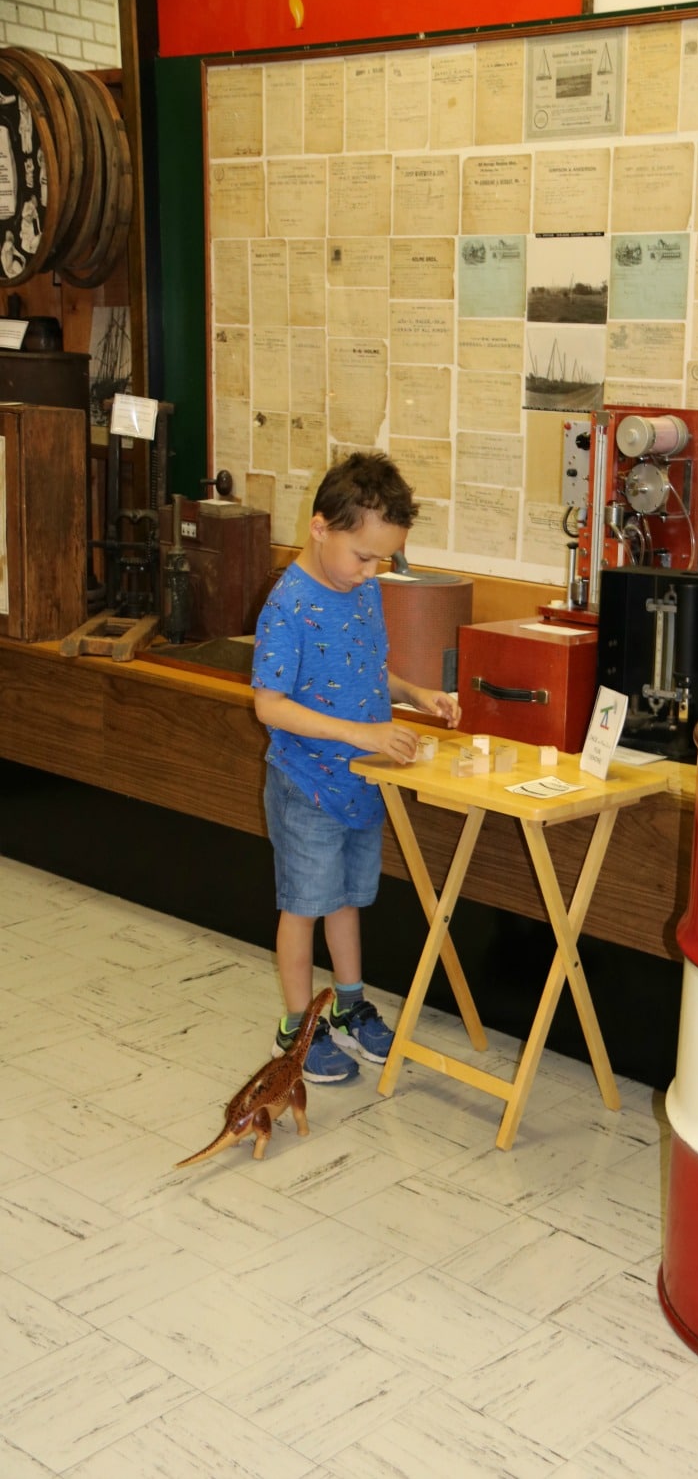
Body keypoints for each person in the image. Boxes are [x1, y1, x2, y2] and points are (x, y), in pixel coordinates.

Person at [252, 451, 461, 1083]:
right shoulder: (288, 604)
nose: (370, 571)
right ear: (320, 527)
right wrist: (359, 731)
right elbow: (270, 704)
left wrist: (413, 693)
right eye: (363, 557)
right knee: (304, 906)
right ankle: (297, 1028)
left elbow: (363, 673)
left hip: (361, 781)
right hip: (307, 785)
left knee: (346, 901)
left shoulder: (362, 589)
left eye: (382, 560)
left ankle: (346, 1006)